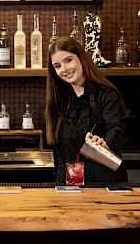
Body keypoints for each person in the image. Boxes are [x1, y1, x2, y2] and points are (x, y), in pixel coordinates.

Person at [45, 37, 128, 184]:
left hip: (103, 186)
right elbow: (59, 153)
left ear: (81, 58)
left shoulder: (106, 94)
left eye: (68, 60)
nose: (64, 69)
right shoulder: (59, 99)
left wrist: (105, 142)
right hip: (68, 188)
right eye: (57, 66)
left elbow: (118, 127)